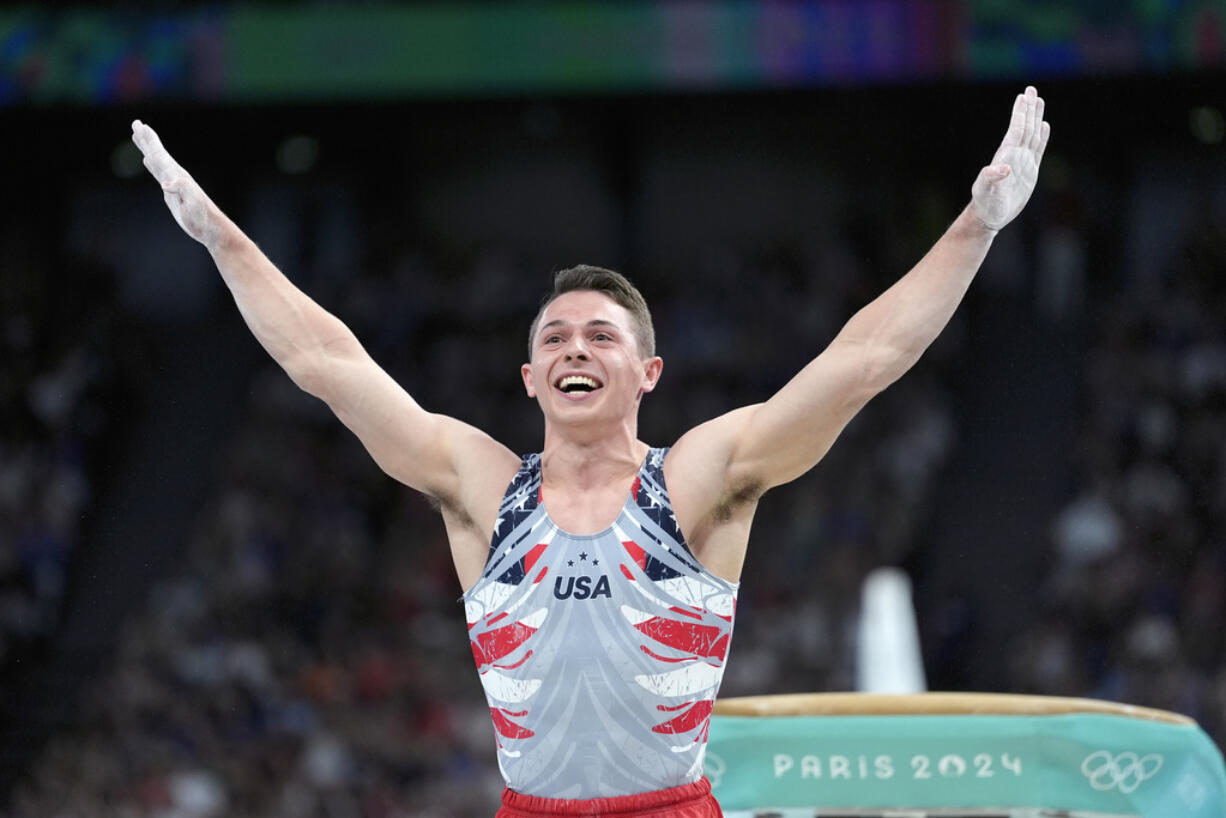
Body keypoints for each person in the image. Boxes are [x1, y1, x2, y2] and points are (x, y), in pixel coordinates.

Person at [131, 86, 1050, 817]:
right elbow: (326, 361)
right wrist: (226, 240)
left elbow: (861, 362)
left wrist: (977, 227)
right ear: (528, 376)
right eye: (556, 337)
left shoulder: (697, 480)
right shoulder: (480, 488)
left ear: (648, 372)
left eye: (601, 337)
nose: (575, 347)